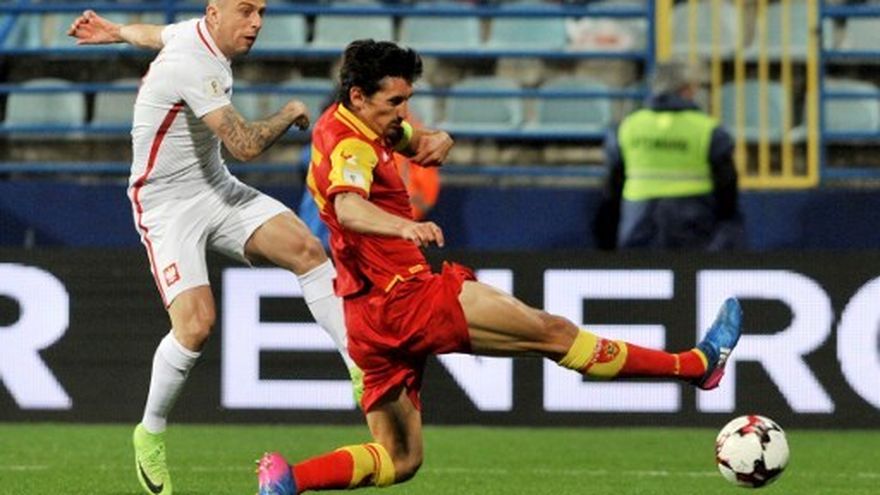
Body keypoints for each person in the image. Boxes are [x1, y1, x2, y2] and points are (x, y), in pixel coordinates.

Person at [255, 39, 744, 495]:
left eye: (407, 100)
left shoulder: (348, 121)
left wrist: (430, 139)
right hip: (407, 297)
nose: (402, 112)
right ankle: (696, 366)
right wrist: (402, 226)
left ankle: (290, 481)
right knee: (552, 333)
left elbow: (404, 139)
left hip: (365, 316)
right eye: (395, 102)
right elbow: (348, 207)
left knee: (400, 458)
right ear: (359, 96)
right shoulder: (352, 147)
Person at [66, 4, 454, 495]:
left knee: (306, 250)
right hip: (166, 204)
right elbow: (245, 145)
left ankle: (359, 365)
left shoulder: (192, 34)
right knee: (196, 326)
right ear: (215, 13)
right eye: (246, 11)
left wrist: (116, 31)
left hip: (214, 187)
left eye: (262, 12)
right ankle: (151, 431)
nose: (256, 23)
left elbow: (155, 34)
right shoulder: (192, 63)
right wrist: (289, 113)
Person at [593, 59, 745, 251]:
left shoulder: (628, 127)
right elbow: (727, 187)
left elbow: (613, 186)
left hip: (639, 221)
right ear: (687, 90)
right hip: (692, 220)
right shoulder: (708, 130)